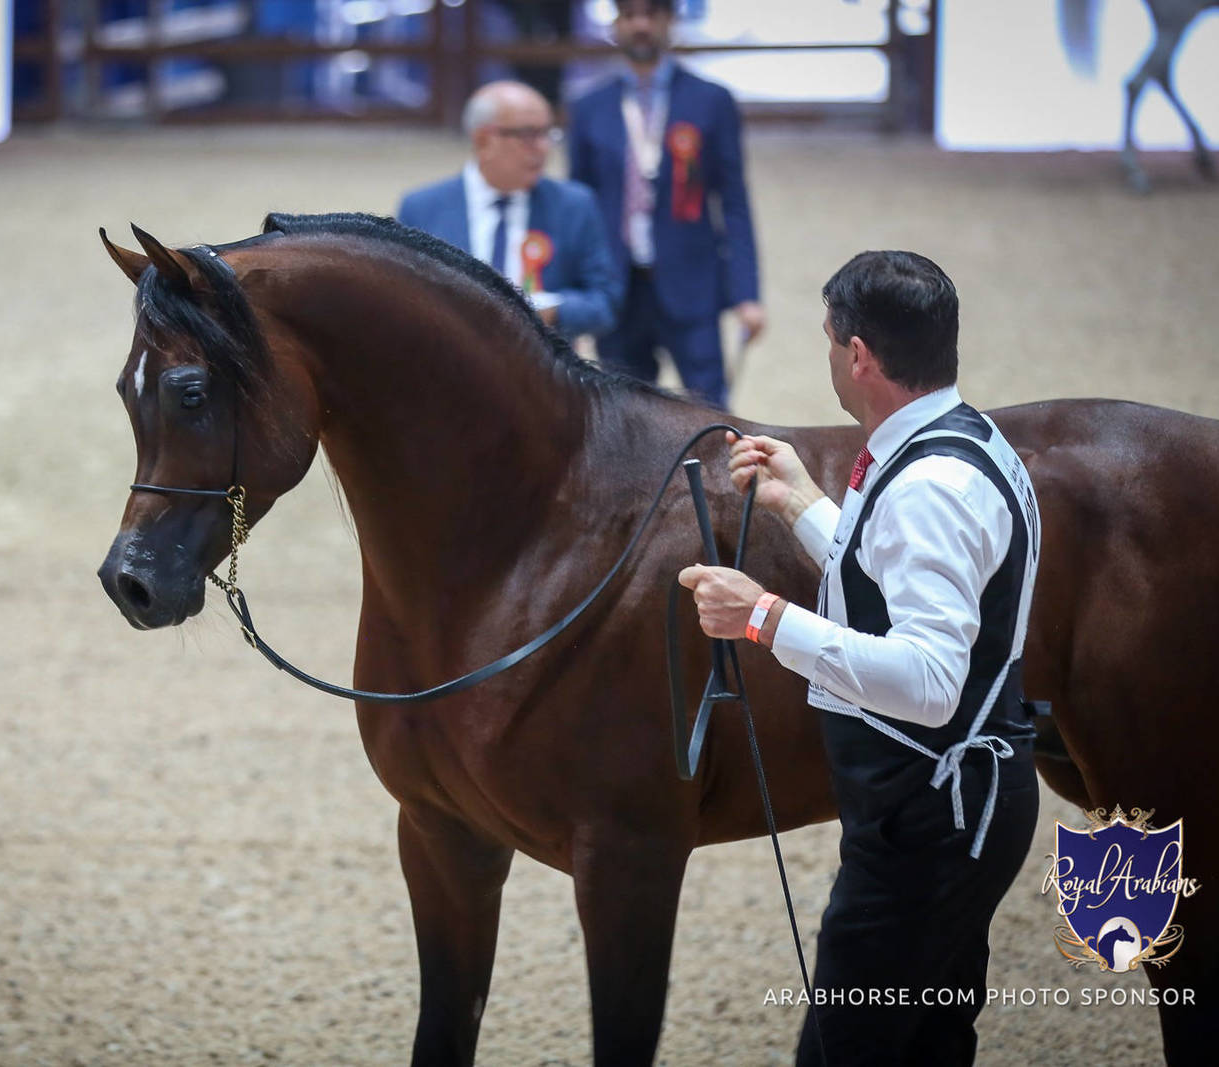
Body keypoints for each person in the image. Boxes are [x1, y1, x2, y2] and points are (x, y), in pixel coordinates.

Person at [678, 252, 1041, 1065]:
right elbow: (890, 575)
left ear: (858, 356)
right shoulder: (961, 438)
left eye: (829, 337)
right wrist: (802, 501)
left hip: (927, 824)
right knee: (929, 1046)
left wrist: (763, 616)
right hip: (956, 808)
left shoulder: (928, 486)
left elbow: (930, 682)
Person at [567, 0, 764, 409]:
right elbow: (578, 209)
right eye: (629, 15)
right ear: (616, 25)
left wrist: (747, 293)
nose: (641, 25)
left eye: (651, 14)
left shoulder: (711, 101)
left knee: (709, 410)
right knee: (624, 416)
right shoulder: (588, 108)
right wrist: (578, 292)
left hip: (691, 284)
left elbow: (733, 202)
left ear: (670, 22)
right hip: (617, 289)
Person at [398, 80, 622, 341]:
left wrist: (553, 312)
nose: (543, 148)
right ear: (483, 140)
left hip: (542, 372)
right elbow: (403, 300)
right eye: (528, 135)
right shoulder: (422, 208)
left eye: (548, 133)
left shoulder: (574, 204)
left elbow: (605, 303)